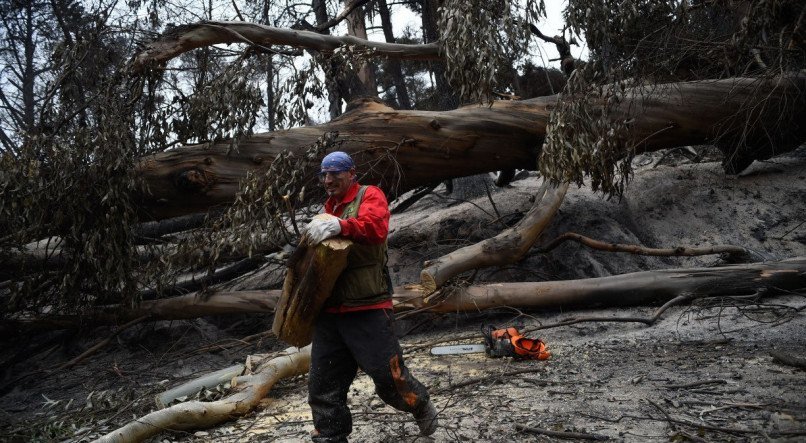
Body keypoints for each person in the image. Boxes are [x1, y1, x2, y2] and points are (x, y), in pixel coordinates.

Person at [304, 151, 437, 442]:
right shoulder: (329, 207)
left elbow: (376, 228)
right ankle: (329, 436)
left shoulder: (369, 195)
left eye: (335, 173)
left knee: (390, 379)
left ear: (351, 173)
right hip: (330, 313)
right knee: (323, 386)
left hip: (368, 307)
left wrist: (341, 226)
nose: (328, 179)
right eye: (323, 174)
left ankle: (421, 405)